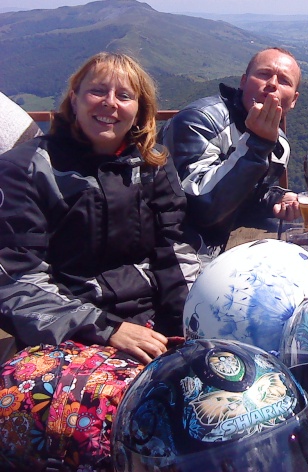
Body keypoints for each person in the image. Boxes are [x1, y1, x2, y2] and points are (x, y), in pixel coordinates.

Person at [0, 52, 200, 469]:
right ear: (73, 99)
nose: (110, 102)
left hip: (151, 331)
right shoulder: (26, 169)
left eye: (124, 95)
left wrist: (194, 332)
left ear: (140, 111)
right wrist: (106, 330)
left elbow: (175, 257)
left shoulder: (152, 167)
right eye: (97, 90)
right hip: (66, 340)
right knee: (118, 430)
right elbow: (18, 283)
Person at [160, 47, 302, 254]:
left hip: (230, 243)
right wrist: (257, 145)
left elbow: (247, 197)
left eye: (284, 81)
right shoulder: (198, 122)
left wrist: (275, 199)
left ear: (294, 99)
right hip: (177, 249)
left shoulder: (279, 144)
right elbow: (199, 209)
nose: (272, 84)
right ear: (243, 82)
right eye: (263, 74)